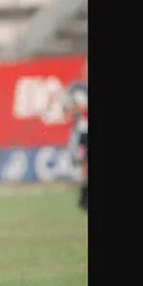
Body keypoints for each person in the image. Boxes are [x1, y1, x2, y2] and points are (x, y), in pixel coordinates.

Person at [63, 58, 88, 211]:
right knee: (84, 163)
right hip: (84, 132)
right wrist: (77, 109)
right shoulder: (76, 89)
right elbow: (67, 111)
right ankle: (84, 195)